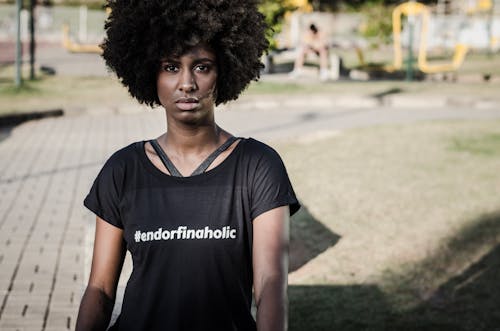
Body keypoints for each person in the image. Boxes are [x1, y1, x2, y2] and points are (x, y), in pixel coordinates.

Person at [75, 1, 300, 331]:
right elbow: (100, 290)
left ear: (223, 71)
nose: (186, 83)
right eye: (170, 67)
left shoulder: (258, 166)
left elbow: (270, 284)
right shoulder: (123, 170)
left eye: (202, 66)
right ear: (150, 74)